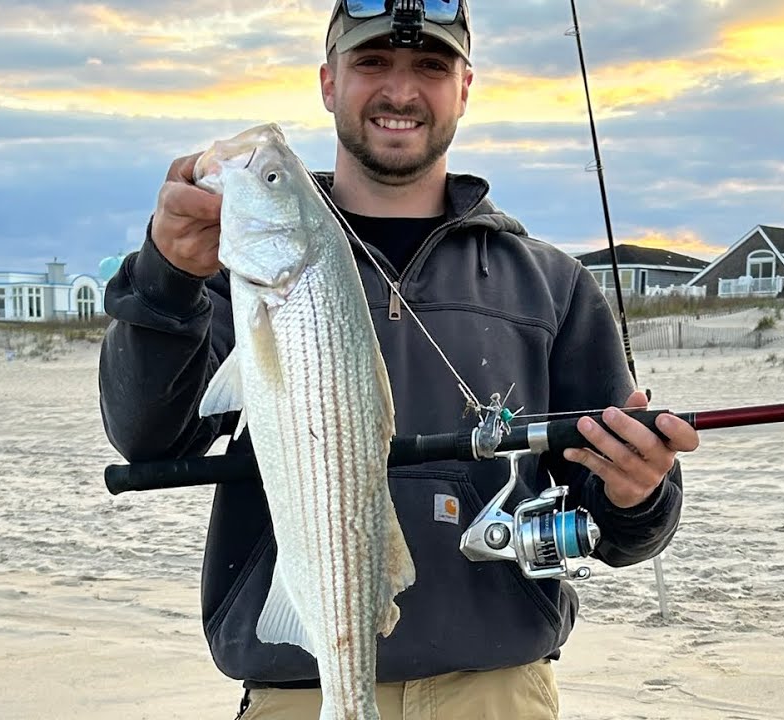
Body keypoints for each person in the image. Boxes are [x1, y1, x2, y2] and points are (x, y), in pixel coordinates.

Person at [97, 0, 701, 717]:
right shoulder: (229, 283)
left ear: (465, 88)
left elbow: (612, 527)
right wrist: (167, 279)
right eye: (372, 63)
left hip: (497, 691)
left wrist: (640, 492)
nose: (401, 91)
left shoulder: (549, 284)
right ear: (329, 82)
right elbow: (148, 436)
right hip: (300, 687)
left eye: (431, 67)